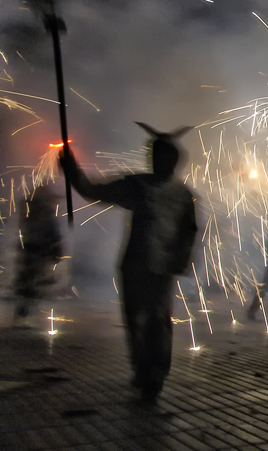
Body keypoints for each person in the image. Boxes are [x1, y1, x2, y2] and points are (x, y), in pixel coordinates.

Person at [60, 122, 198, 401]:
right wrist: (73, 171)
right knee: (140, 320)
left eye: (163, 156)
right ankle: (145, 370)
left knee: (155, 321)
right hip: (139, 265)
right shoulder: (140, 186)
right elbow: (94, 191)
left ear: (172, 159)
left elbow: (188, 232)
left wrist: (179, 260)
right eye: (155, 156)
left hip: (157, 267)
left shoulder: (181, 195)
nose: (158, 161)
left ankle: (154, 372)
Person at [13, 187, 63, 325]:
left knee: (31, 283)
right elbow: (53, 235)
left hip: (36, 253)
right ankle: (23, 314)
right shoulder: (38, 213)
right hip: (35, 253)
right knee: (30, 284)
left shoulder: (33, 212)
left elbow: (54, 234)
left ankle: (24, 313)